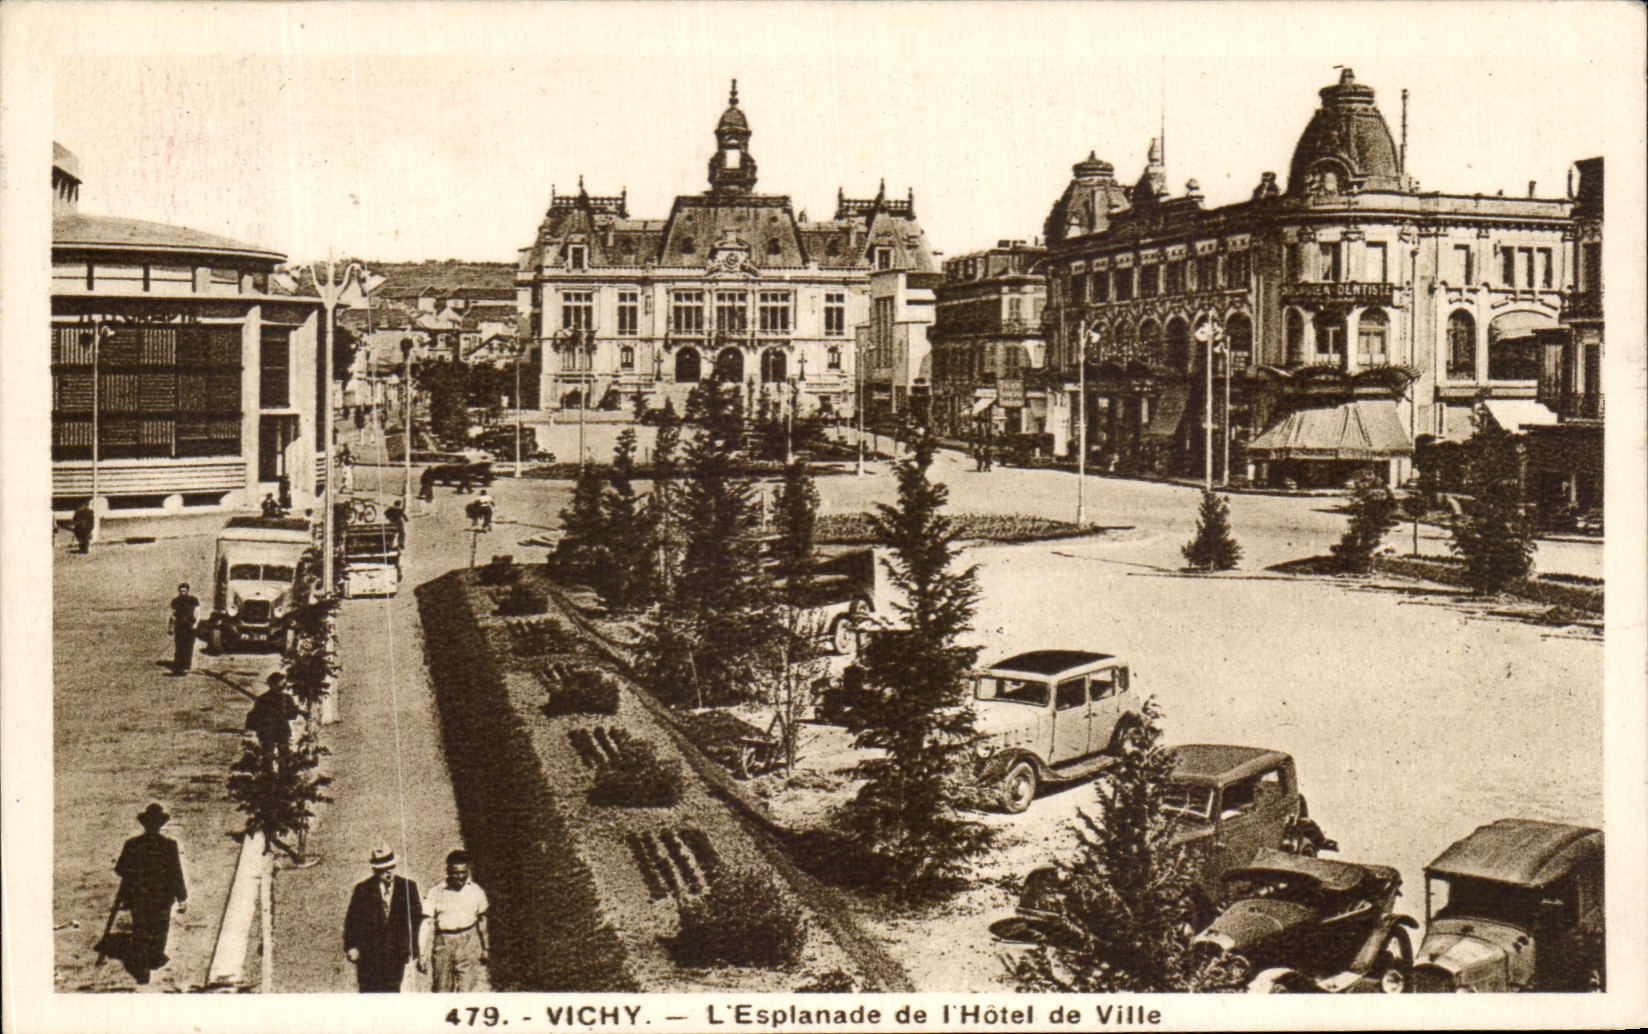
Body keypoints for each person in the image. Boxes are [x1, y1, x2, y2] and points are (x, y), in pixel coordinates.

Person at [114, 803, 188, 982]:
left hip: (139, 895)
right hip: (162, 896)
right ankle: (155, 956)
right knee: (160, 927)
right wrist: (182, 896)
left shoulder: (132, 844)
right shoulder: (169, 845)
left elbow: (120, 869)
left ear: (145, 824)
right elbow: (175, 872)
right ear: (159, 825)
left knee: (141, 926)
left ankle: (142, 960)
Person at [344, 847, 423, 993]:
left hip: (396, 953)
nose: (389, 872)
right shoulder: (362, 889)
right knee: (369, 993)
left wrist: (414, 948)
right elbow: (352, 920)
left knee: (392, 992)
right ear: (375, 870)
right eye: (384, 869)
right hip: (369, 955)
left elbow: (416, 919)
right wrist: (352, 946)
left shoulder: (408, 887)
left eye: (391, 867)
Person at [419, 849, 489, 992]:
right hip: (443, 943)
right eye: (457, 873)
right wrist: (422, 954)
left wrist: (485, 947)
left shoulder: (476, 891)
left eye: (464, 873)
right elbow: (426, 923)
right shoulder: (436, 892)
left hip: (468, 942)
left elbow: (482, 920)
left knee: (467, 990)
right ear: (448, 871)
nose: (461, 877)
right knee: (442, 989)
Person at [245, 672, 298, 753]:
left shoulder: (287, 699)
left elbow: (292, 715)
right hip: (267, 732)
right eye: (277, 684)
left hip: (282, 731)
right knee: (267, 757)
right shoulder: (263, 699)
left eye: (282, 684)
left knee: (285, 758)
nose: (280, 687)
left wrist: (291, 711)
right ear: (271, 684)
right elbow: (254, 715)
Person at [167, 584, 200, 675]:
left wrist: (195, 625)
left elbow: (197, 613)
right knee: (179, 646)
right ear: (179, 591)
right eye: (181, 591)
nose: (183, 593)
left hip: (190, 626)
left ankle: (186, 665)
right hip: (179, 627)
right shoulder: (175, 601)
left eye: (184, 591)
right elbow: (173, 615)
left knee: (189, 646)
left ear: (188, 591)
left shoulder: (193, 600)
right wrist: (170, 628)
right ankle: (179, 666)